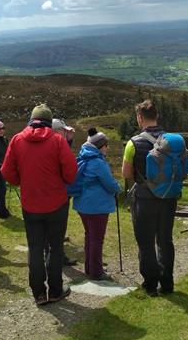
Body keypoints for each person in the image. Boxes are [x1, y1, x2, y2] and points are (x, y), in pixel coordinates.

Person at [1, 104, 77, 306]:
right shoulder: (57, 141)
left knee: (35, 248)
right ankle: (55, 290)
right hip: (57, 203)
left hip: (30, 204)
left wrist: (22, 181)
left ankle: (39, 294)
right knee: (55, 247)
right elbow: (71, 173)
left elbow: (6, 171)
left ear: (32, 120)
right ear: (48, 121)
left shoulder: (17, 140)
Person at [122, 100, 177, 297]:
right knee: (165, 240)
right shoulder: (172, 140)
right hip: (168, 197)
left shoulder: (133, 143)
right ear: (157, 116)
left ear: (139, 118)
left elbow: (126, 173)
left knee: (145, 242)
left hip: (144, 198)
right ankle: (168, 283)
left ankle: (151, 284)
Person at [69, 128, 121, 281]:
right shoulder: (98, 162)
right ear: (99, 146)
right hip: (96, 206)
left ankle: (90, 267)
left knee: (89, 236)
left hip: (83, 204)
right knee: (97, 238)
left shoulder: (83, 157)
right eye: (106, 145)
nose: (107, 148)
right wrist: (118, 188)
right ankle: (97, 272)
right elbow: (110, 184)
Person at [51, 118, 77, 267]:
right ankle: (58, 257)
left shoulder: (56, 144)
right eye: (63, 130)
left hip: (57, 192)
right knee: (58, 224)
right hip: (60, 193)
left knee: (57, 225)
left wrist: (69, 140)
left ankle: (55, 250)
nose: (65, 133)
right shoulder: (56, 146)